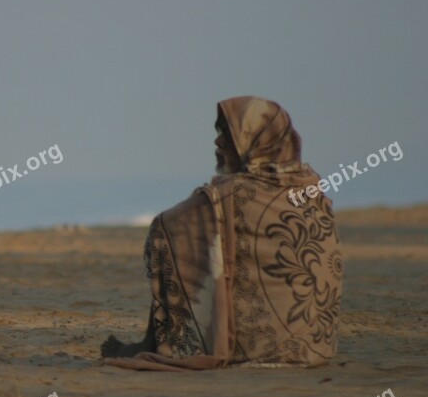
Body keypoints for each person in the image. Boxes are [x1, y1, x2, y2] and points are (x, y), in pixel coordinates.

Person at [101, 96, 343, 370]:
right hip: (317, 348)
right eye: (219, 132)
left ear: (258, 141)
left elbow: (172, 225)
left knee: (168, 231)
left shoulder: (234, 195)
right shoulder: (311, 189)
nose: (218, 142)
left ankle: (161, 344)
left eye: (228, 134)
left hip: (257, 349)